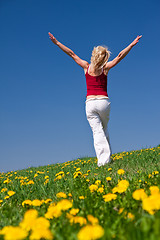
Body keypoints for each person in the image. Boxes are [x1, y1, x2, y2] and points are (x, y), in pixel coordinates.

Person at [48, 32, 142, 167]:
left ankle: (104, 161)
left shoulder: (86, 66)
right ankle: (106, 158)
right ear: (104, 57)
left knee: (98, 132)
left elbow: (71, 53)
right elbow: (120, 56)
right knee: (103, 129)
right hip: (103, 102)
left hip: (90, 103)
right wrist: (131, 45)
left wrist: (57, 43)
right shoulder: (105, 68)